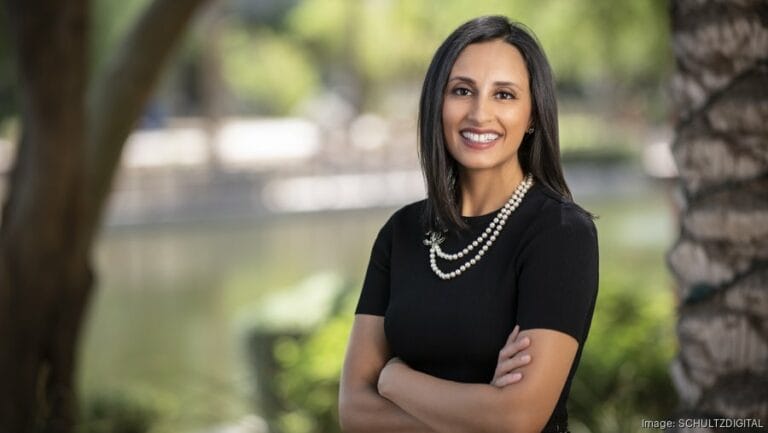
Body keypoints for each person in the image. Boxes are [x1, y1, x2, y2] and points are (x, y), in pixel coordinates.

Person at [339, 15, 598, 433]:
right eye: (462, 90)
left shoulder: (561, 233)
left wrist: (394, 380)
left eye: (504, 95)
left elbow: (517, 418)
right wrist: (480, 411)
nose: (480, 113)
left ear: (533, 114)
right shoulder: (401, 233)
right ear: (437, 103)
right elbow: (354, 411)